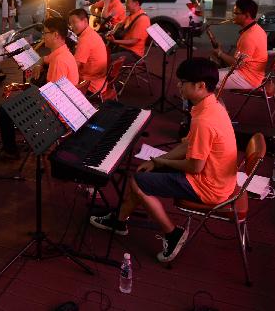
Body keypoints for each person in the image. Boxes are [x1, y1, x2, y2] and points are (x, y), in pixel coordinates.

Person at [90, 58, 237, 263]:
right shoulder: (211, 105)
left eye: (183, 82)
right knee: (143, 174)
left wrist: (162, 163)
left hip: (208, 186)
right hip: (218, 178)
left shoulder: (204, 121)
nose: (178, 86)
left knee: (137, 181)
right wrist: (158, 161)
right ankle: (119, 221)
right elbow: (188, 146)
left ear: (201, 86)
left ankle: (172, 233)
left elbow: (195, 167)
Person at [0, 17, 79, 160]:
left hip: (55, 114)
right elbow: (45, 59)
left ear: (55, 35)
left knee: (4, 111)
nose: (42, 37)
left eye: (45, 33)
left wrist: (24, 90)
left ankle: (10, 151)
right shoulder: (63, 52)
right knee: (19, 99)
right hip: (65, 106)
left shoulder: (59, 61)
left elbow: (50, 98)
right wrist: (39, 64)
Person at [212, 0, 268, 90]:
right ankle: (213, 103)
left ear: (247, 15)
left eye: (236, 13)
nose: (233, 16)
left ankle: (212, 104)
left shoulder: (249, 36)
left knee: (207, 80)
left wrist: (220, 53)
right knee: (208, 76)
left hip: (247, 78)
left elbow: (237, 64)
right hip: (251, 74)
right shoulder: (257, 29)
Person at [68, 9, 109, 94]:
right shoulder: (91, 33)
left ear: (85, 21)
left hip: (91, 86)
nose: (72, 26)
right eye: (70, 23)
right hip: (101, 83)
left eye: (74, 22)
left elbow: (74, 67)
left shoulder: (85, 39)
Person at [107, 0, 151, 64]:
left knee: (107, 59)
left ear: (136, 3)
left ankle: (108, 74)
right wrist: (113, 31)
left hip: (133, 54)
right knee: (101, 53)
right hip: (124, 48)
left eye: (127, 2)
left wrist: (114, 41)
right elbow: (119, 24)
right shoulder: (132, 15)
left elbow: (133, 42)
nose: (125, 5)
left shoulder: (142, 19)